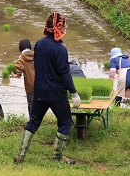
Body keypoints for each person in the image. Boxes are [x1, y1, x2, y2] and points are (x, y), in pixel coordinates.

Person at [14, 12, 81, 165]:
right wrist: (74, 93)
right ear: (59, 27)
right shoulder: (60, 49)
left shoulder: (39, 44)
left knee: (33, 121)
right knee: (65, 122)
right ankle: (58, 156)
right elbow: (64, 73)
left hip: (39, 91)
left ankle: (21, 155)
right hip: (56, 93)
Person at [12, 39, 35, 116]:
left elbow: (18, 74)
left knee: (31, 105)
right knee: (40, 104)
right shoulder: (37, 55)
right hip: (41, 83)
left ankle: (32, 123)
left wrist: (14, 75)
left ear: (20, 48)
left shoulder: (21, 58)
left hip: (30, 86)